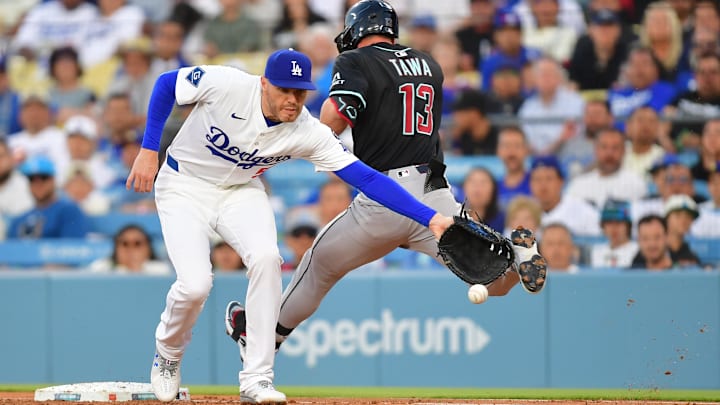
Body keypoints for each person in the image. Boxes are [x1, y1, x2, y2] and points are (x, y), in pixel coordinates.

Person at [224, 0, 547, 397]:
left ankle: (259, 338)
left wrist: (297, 137)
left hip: (386, 197)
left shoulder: (356, 62)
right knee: (492, 278)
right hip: (437, 197)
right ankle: (516, 254)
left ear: (359, 28)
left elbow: (337, 115)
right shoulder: (430, 63)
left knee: (318, 265)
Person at [126, 47, 460, 403]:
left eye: (299, 92)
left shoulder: (308, 131)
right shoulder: (228, 84)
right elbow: (166, 84)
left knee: (268, 259)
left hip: (241, 191)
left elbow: (369, 180)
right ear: (264, 83)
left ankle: (257, 378)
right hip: (183, 184)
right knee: (195, 285)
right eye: (284, 89)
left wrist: (431, 217)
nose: (292, 99)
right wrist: (149, 149)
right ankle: (169, 354)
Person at [7, 155, 89, 239]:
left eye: (43, 177)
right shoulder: (18, 220)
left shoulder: (69, 211)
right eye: (32, 179)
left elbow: (71, 249)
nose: (38, 184)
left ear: (53, 180)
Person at [89, 224, 171, 274]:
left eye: (137, 244)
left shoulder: (161, 271)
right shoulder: (100, 269)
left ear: (149, 248)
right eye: (125, 244)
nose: (130, 249)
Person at [591, 199, 638, 268]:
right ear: (603, 226)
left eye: (618, 223)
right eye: (609, 223)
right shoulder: (596, 251)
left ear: (628, 226)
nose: (614, 228)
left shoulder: (638, 251)